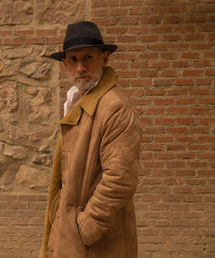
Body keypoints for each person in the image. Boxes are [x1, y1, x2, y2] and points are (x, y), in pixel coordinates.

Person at [39, 21, 142, 258]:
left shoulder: (115, 107)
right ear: (64, 63)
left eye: (88, 58)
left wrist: (85, 228)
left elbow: (119, 181)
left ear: (105, 58)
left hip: (96, 243)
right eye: (73, 60)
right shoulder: (76, 100)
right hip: (70, 234)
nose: (80, 67)